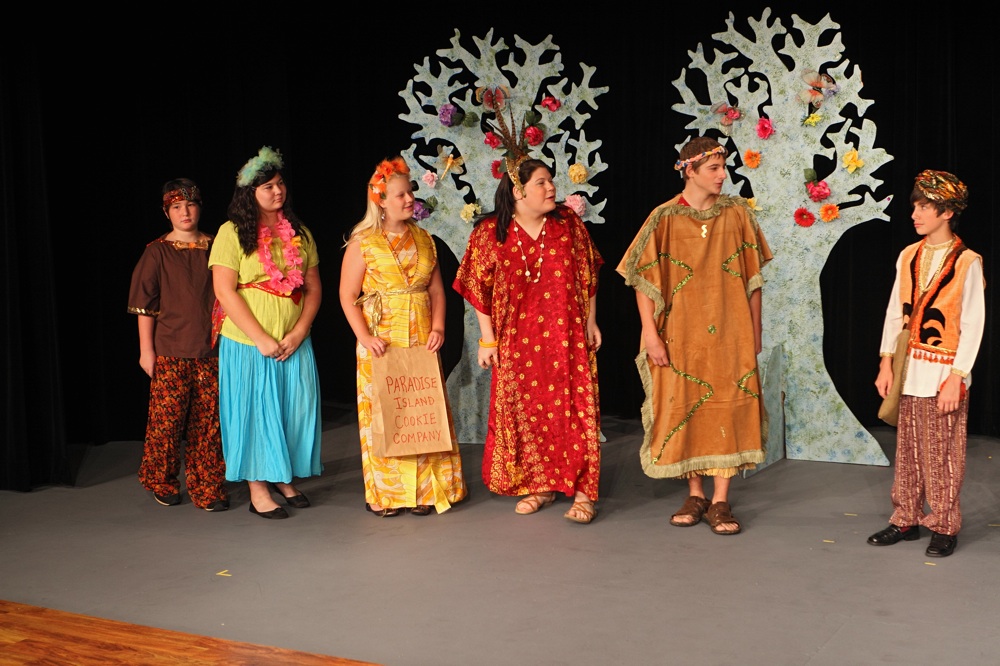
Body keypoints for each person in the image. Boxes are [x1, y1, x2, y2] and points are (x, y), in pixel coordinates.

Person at [616, 136, 772, 535]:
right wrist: (650, 334)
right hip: (679, 332)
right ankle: (696, 494)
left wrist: (755, 332)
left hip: (731, 330)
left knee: (728, 405)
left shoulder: (737, 214)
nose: (722, 175)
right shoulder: (664, 217)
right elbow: (641, 279)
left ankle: (721, 500)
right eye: (713, 168)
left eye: (723, 167)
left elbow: (754, 280)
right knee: (687, 403)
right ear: (690, 170)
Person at [454, 144, 604, 524]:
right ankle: (540, 485)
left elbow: (589, 275)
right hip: (517, 342)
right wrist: (487, 339)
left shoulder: (568, 224)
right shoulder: (491, 233)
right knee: (529, 416)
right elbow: (478, 288)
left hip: (567, 338)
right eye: (542, 182)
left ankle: (583, 493)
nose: (551, 188)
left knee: (575, 414)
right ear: (518, 191)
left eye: (551, 181)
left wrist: (590, 321)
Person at [339, 156, 467, 517]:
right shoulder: (363, 242)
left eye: (410, 192)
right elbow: (347, 295)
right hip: (382, 340)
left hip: (421, 337)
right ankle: (387, 494)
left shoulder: (425, 239)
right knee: (385, 410)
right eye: (400, 195)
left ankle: (426, 490)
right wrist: (365, 337)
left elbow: (437, 291)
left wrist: (438, 327)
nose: (410, 199)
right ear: (380, 201)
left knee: (422, 411)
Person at [867, 170, 984, 557]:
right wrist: (886, 362)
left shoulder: (967, 262)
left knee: (942, 453)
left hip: (943, 371)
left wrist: (957, 377)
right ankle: (905, 517)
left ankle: (945, 524)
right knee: (908, 449)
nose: (915, 214)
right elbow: (893, 311)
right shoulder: (908, 255)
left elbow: (973, 323)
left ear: (947, 212)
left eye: (924, 207)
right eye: (915, 206)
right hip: (909, 368)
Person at [208, 146, 323, 520]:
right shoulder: (231, 233)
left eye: (280, 183)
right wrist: (260, 337)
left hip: (294, 341)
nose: (277, 191)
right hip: (248, 343)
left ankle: (283, 476)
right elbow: (224, 290)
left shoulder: (300, 233)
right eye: (268, 186)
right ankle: (258, 487)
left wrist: (300, 331)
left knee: (294, 410)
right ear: (250, 193)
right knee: (255, 412)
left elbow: (313, 288)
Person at [127, 178, 229, 511]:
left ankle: (208, 485)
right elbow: (145, 305)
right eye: (176, 207)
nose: (185, 212)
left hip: (212, 350)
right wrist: (146, 351)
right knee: (167, 422)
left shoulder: (217, 247)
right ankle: (161, 479)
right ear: (166, 212)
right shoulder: (157, 251)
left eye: (190, 205)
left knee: (208, 423)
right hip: (171, 351)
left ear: (200, 207)